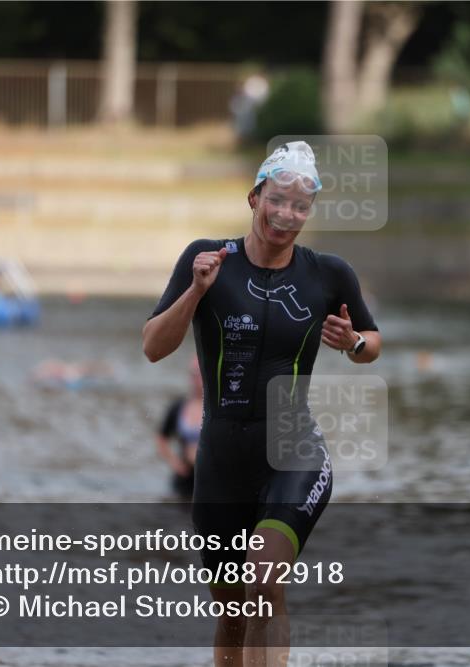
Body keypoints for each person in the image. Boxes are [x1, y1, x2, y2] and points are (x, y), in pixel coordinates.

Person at [142, 140, 380, 667]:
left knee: (265, 577)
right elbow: (154, 347)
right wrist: (196, 292)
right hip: (222, 458)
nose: (287, 215)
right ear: (255, 197)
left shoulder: (328, 273)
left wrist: (354, 343)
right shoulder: (207, 259)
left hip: (292, 451)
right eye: (277, 200)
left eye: (300, 206)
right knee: (231, 610)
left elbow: (371, 341)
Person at [156, 356, 202, 499]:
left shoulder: (217, 408)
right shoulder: (178, 407)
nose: (196, 380)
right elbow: (161, 438)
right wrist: (175, 462)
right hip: (184, 476)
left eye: (199, 374)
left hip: (209, 478)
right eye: (193, 374)